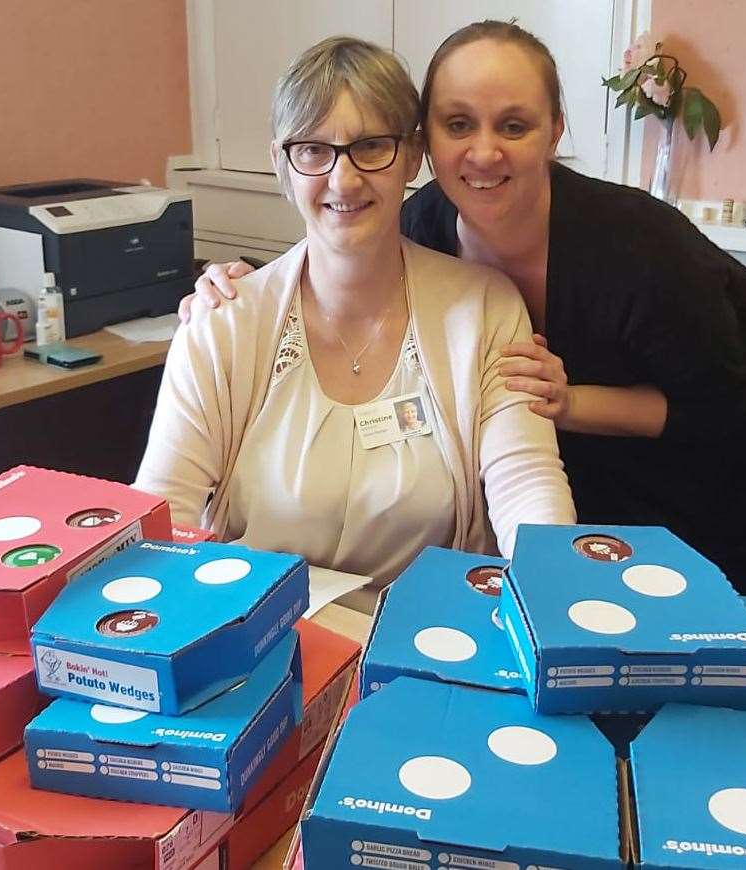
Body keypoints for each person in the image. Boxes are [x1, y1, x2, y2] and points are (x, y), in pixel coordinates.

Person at [183, 21, 746, 595]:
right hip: (574, 448)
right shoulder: (422, 226)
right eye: (458, 124)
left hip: (728, 431)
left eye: (513, 126)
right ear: (422, 142)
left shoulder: (640, 249)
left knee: (669, 605)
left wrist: (570, 402)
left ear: (553, 131)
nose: (484, 152)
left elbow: (717, 408)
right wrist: (237, 287)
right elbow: (335, 234)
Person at [135, 36, 575, 612]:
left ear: (412, 156)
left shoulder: (485, 309)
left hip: (424, 646)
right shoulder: (225, 321)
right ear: (281, 163)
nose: (343, 180)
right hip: (256, 638)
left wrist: (555, 601)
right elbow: (160, 516)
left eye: (370, 146)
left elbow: (527, 488)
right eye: (314, 150)